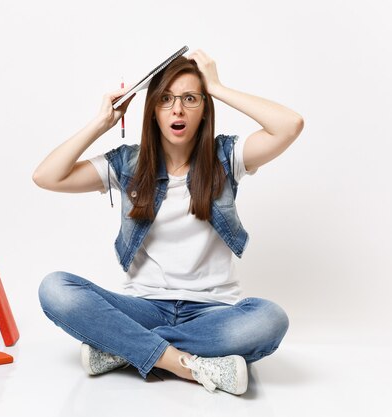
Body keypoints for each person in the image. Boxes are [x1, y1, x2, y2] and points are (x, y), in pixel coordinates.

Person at [32, 49, 304, 395]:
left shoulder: (227, 157)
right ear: (153, 112)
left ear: (205, 109)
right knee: (55, 288)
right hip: (144, 307)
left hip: (212, 313)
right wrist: (101, 123)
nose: (178, 109)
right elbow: (46, 177)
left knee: (269, 319)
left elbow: (290, 125)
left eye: (190, 98)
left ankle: (125, 349)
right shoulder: (127, 164)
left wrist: (217, 87)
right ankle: (184, 364)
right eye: (166, 99)